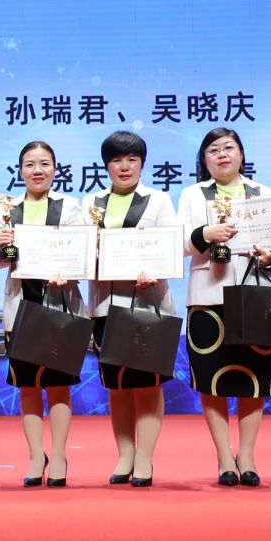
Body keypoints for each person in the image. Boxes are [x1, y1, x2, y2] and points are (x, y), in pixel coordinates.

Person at [179, 127, 271, 487]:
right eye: (213, 150)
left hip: (255, 292)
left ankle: (247, 456)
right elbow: (179, 243)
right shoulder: (193, 194)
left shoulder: (263, 193)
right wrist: (205, 235)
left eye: (228, 147)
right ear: (204, 160)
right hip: (207, 296)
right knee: (211, 379)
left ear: (241, 154)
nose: (222, 154)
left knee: (255, 378)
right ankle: (224, 456)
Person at [83, 130, 178, 488]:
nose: (124, 167)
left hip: (147, 303)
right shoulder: (91, 201)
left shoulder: (158, 200)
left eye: (132, 160)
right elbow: (83, 252)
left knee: (148, 384)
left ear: (142, 163)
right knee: (117, 385)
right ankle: (124, 454)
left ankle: (145, 457)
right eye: (117, 160)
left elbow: (171, 248)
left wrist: (154, 269)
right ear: (106, 165)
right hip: (106, 307)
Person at [0, 141, 87, 488]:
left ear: (55, 169)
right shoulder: (8, 209)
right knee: (27, 386)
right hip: (22, 308)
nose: (37, 170)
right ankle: (35, 455)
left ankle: (58, 455)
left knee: (58, 386)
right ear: (20, 171)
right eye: (30, 164)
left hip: (60, 304)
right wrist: (1, 246)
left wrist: (68, 273)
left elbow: (82, 252)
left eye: (44, 163)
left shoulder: (69, 207)